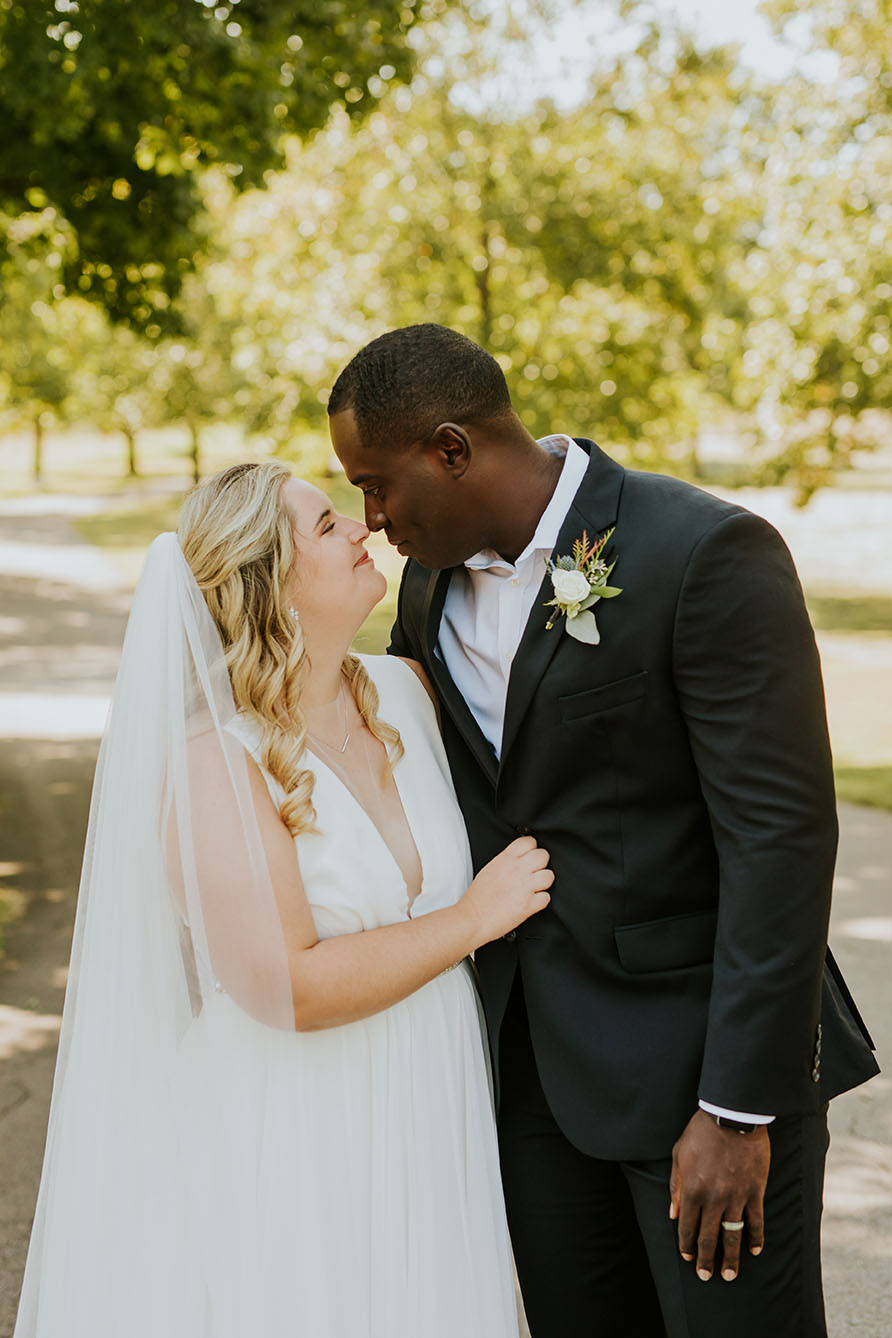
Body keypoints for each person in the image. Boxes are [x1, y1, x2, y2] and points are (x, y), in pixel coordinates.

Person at [328, 323, 880, 1338]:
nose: (368, 517)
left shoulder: (701, 553)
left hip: (695, 1077)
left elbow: (781, 838)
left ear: (450, 450)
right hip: (529, 1081)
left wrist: (737, 1109)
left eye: (375, 484)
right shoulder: (426, 581)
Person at [13, 461, 554, 1338]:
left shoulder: (410, 694)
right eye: (327, 525)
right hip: (297, 1119)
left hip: (428, 1092)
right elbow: (286, 987)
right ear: (271, 582)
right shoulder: (215, 764)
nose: (363, 529)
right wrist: (471, 921)